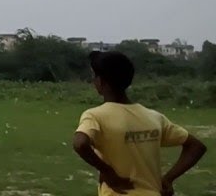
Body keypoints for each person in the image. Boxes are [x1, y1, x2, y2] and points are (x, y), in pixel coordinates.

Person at [73, 51, 207, 196]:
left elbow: (80, 143)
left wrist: (108, 172)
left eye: (94, 76)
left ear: (101, 82)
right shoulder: (154, 117)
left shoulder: (94, 116)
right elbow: (196, 146)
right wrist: (168, 179)